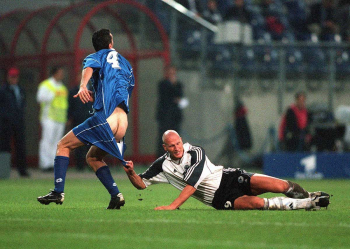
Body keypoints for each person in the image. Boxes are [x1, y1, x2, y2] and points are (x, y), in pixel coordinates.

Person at [37, 29, 135, 209]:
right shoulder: (126, 64)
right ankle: (116, 195)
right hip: (122, 124)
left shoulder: (97, 56)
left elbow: (89, 67)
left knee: (63, 145)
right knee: (93, 158)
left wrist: (83, 86)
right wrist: (97, 95)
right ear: (111, 43)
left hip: (106, 120)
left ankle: (58, 191)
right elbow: (121, 90)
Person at [124, 130, 330, 211]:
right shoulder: (162, 164)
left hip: (229, 178)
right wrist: (131, 173)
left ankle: (308, 197)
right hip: (219, 198)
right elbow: (141, 184)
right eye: (172, 146)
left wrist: (172, 206)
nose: (177, 148)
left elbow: (191, 184)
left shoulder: (195, 152)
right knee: (259, 204)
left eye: (178, 143)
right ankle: (310, 203)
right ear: (165, 148)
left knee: (280, 185)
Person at [37, 66, 68, 172]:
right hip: (49, 117)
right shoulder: (46, 85)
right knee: (47, 140)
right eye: (60, 72)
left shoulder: (62, 87)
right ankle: (45, 164)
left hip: (60, 118)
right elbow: (40, 98)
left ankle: (53, 163)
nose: (62, 75)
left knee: (56, 142)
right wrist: (51, 95)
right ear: (54, 73)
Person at [0, 67, 29, 177]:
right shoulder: (3, 90)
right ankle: (4, 171)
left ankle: (22, 171)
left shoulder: (20, 90)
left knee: (20, 146)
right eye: (12, 77)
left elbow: (22, 105)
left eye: (15, 77)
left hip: (19, 122)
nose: (14, 79)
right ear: (8, 77)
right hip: (6, 123)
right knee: (5, 147)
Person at [156, 65, 187, 157]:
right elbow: (166, 98)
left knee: (175, 138)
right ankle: (162, 157)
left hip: (175, 116)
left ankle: (175, 156)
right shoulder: (162, 84)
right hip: (165, 116)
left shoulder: (179, 84)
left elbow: (180, 97)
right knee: (163, 138)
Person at [67, 78, 93, 171]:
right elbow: (70, 106)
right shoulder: (73, 91)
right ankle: (79, 165)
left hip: (91, 120)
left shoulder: (95, 90)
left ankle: (91, 164)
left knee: (92, 143)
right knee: (78, 142)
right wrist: (69, 118)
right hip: (78, 120)